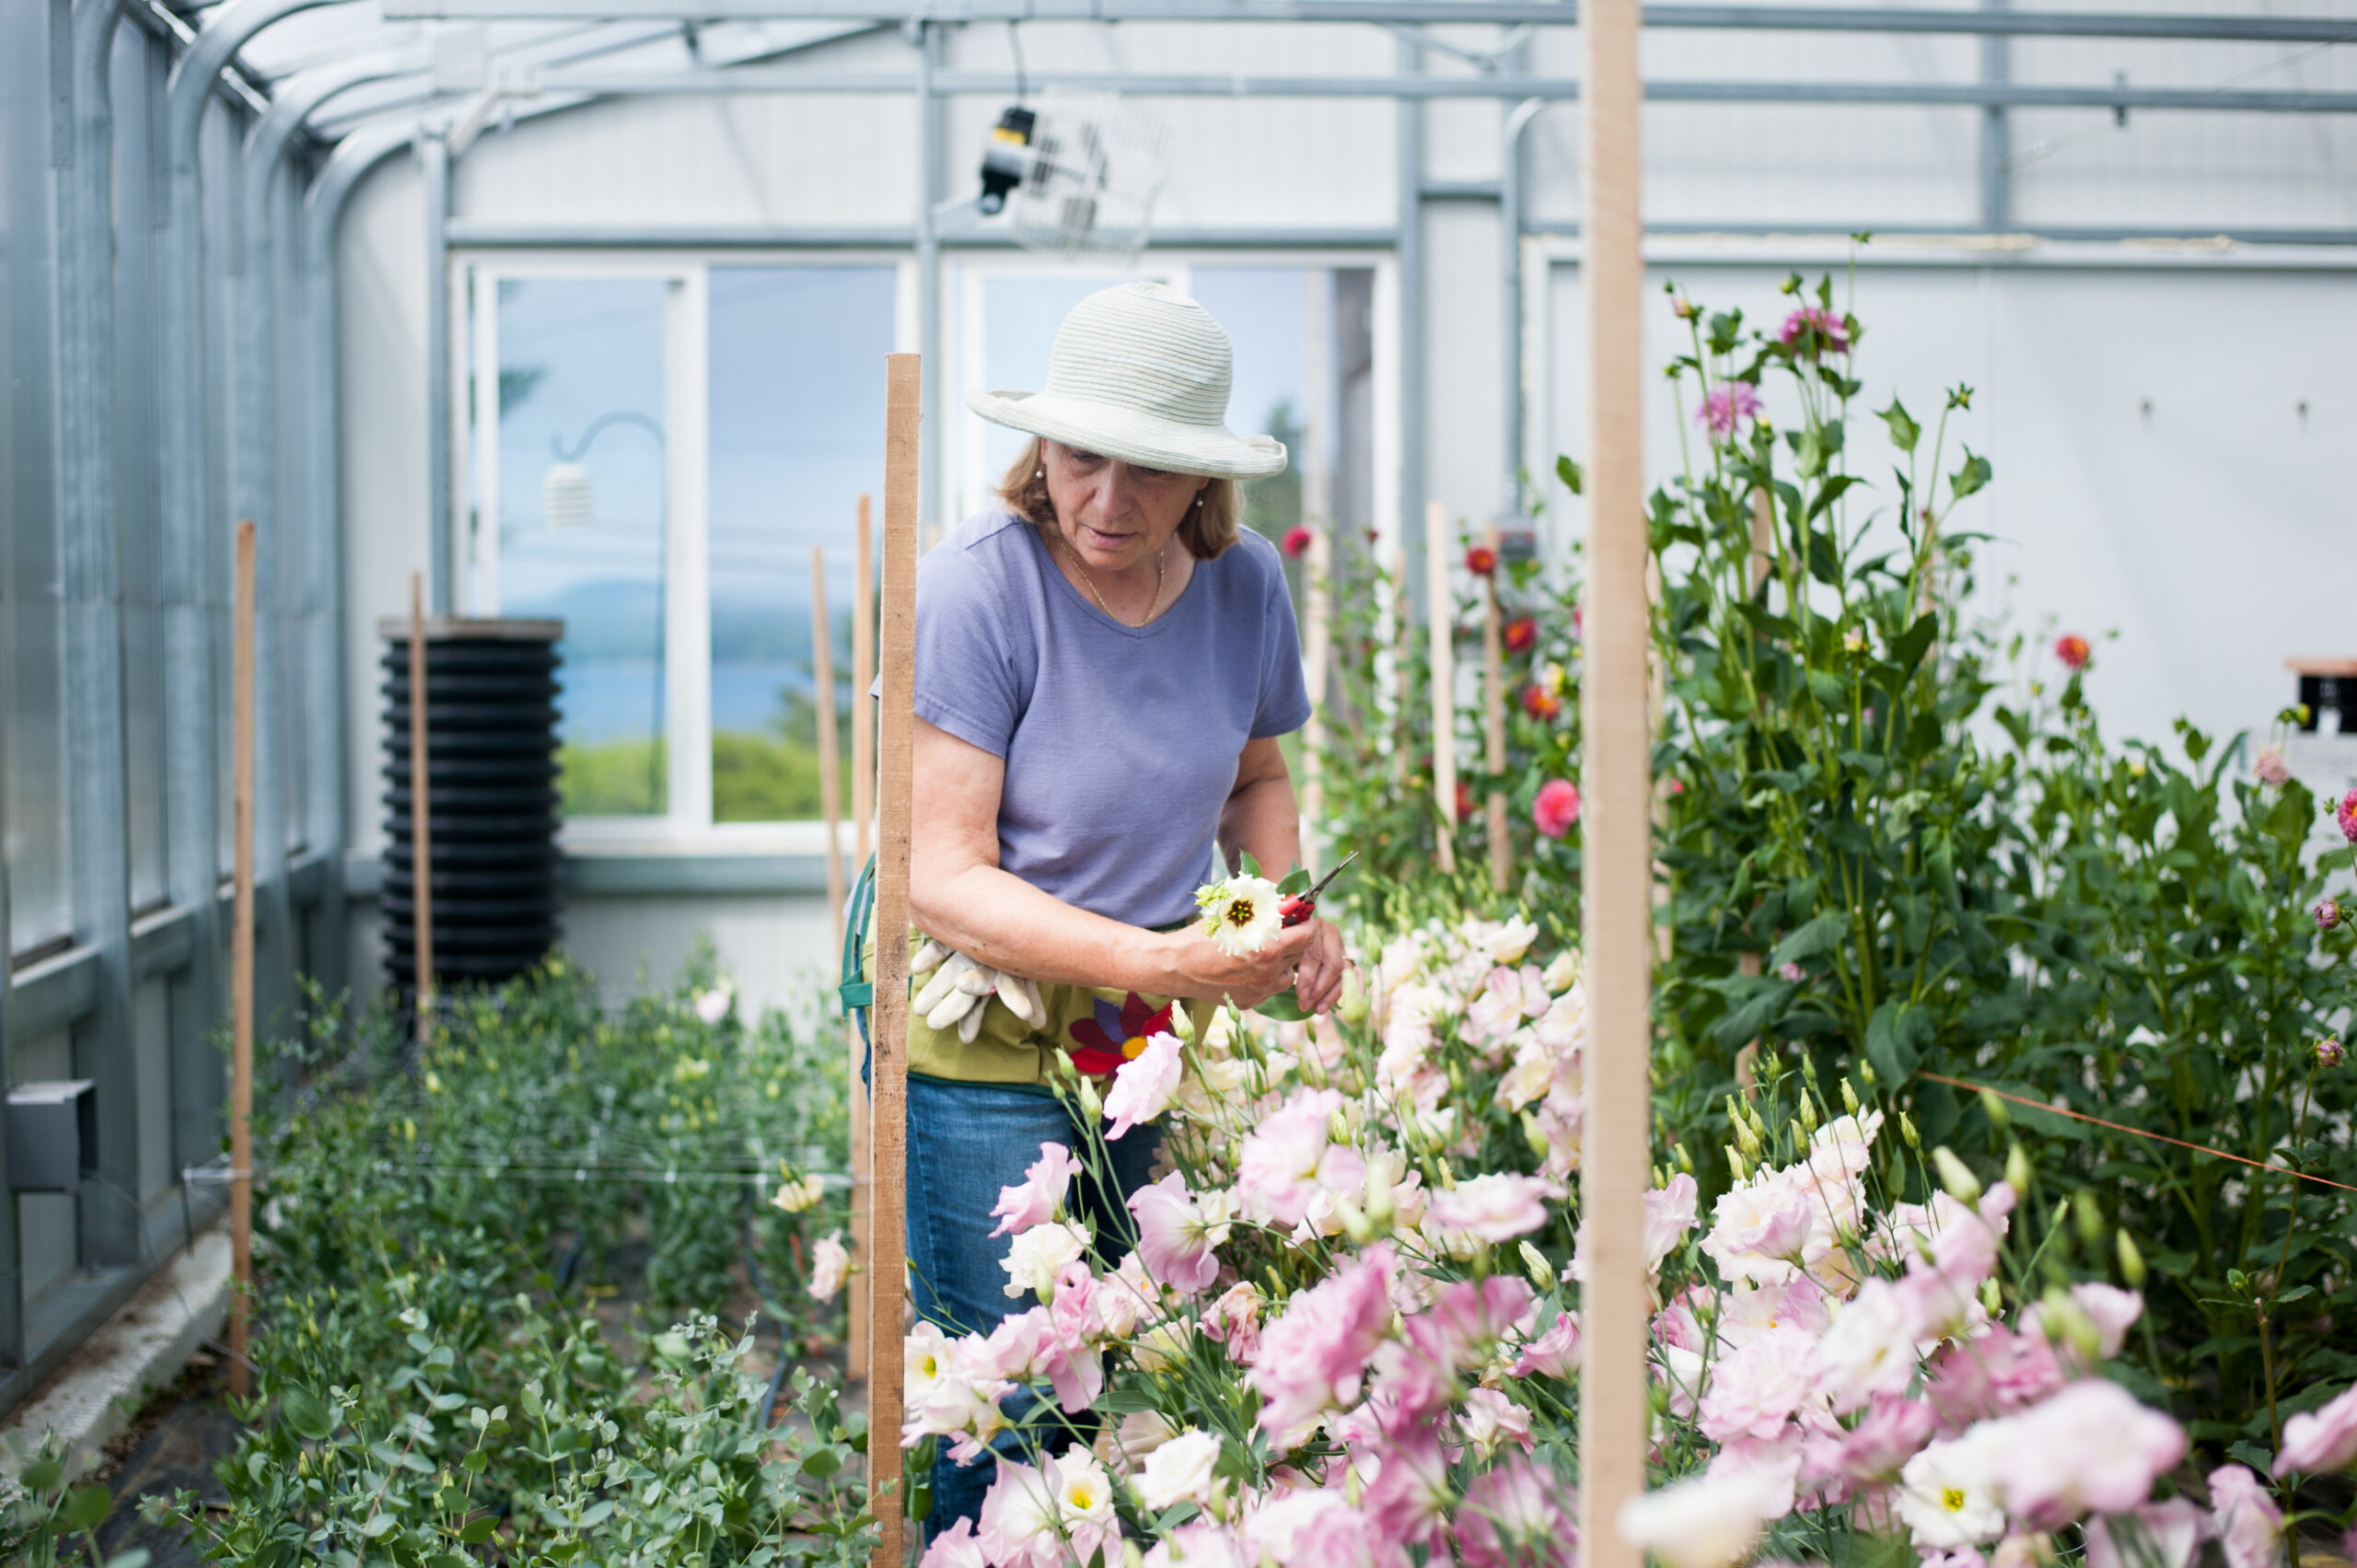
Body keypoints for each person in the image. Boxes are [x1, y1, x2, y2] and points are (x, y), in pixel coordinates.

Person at [893, 279, 1346, 1536]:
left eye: (1147, 468)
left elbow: (1256, 780)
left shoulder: (1245, 587)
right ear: (1041, 446)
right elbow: (943, 875)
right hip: (988, 1036)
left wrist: (1287, 909)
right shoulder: (977, 590)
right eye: (1081, 456)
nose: (1106, 497)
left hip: (1137, 1041)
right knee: (1008, 1406)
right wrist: (1161, 959)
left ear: (1203, 477)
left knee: (1113, 1378)